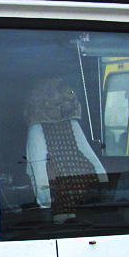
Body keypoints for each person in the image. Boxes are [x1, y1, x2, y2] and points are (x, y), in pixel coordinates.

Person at [23, 78, 107, 213]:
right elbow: (39, 174)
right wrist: (47, 203)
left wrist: (106, 190)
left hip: (86, 200)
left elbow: (95, 166)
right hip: (59, 203)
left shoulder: (72, 125)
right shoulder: (37, 131)